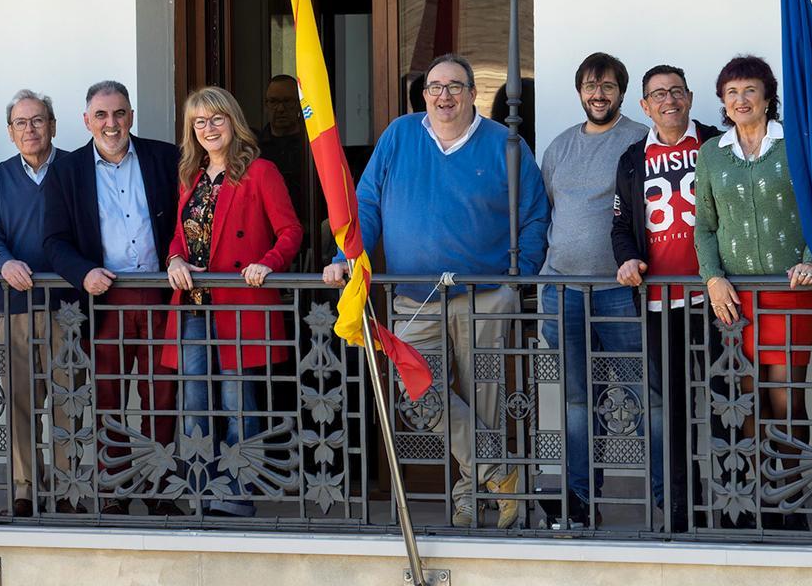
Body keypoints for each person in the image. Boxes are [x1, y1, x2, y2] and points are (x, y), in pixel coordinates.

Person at [329, 52, 549, 529]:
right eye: (434, 87)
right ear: (424, 95)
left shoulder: (504, 143)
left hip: (485, 294)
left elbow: (534, 214)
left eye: (454, 86)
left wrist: (519, 275)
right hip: (414, 295)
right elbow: (365, 204)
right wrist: (344, 259)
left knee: (483, 398)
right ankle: (501, 473)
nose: (443, 95)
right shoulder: (399, 136)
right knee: (417, 393)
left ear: (472, 93)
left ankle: (470, 497)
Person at [162, 86, 303, 517]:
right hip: (192, 306)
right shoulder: (191, 175)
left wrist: (267, 263)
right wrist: (173, 258)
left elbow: (291, 232)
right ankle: (204, 490)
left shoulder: (260, 172)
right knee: (194, 401)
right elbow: (181, 237)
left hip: (239, 303)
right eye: (199, 122)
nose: (208, 128)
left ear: (233, 121)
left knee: (236, 399)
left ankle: (239, 491)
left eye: (216, 119)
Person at [693, 56, 812, 530]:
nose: (741, 100)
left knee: (786, 397)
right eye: (732, 93)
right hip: (736, 297)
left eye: (750, 90)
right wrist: (712, 277)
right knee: (751, 398)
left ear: (767, 96)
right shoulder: (712, 153)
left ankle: (792, 501)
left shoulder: (797, 144)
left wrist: (811, 259)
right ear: (723, 103)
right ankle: (759, 499)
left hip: (790, 290)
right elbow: (704, 225)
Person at [48, 80, 180, 514]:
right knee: (108, 397)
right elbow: (54, 241)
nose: (111, 123)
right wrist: (83, 273)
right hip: (106, 300)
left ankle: (158, 484)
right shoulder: (66, 171)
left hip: (160, 293)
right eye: (101, 115)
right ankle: (116, 488)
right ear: (87, 121)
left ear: (131, 117)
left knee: (161, 394)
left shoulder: (164, 157)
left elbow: (184, 221)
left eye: (119, 113)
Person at [535, 52, 647, 526]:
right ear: (579, 91)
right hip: (561, 290)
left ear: (621, 92)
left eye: (606, 86)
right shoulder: (559, 147)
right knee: (577, 398)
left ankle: (667, 494)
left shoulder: (641, 139)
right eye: (589, 86)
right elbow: (546, 213)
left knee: (647, 393)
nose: (597, 94)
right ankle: (580, 499)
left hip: (620, 291)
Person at [611, 64, 722, 533]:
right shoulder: (633, 158)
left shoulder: (718, 143)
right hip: (660, 303)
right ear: (644, 106)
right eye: (658, 94)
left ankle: (738, 506)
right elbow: (620, 225)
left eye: (676, 91)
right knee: (673, 412)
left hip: (718, 300)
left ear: (691, 97)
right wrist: (628, 259)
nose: (669, 100)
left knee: (728, 405)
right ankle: (683, 512)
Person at [0, 89, 79, 517]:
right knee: (19, 401)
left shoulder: (76, 168)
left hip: (66, 306)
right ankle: (24, 488)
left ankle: (68, 486)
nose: (30, 129)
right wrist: (3, 262)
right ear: (10, 132)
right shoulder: (1, 177)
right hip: (16, 304)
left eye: (38, 120)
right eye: (21, 123)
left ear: (52, 126)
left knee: (66, 398)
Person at [257, 74, 318, 263]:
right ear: (266, 105)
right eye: (274, 102)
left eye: (287, 101)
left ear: (299, 104)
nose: (280, 108)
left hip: (312, 240)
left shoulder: (314, 146)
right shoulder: (253, 149)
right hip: (263, 240)